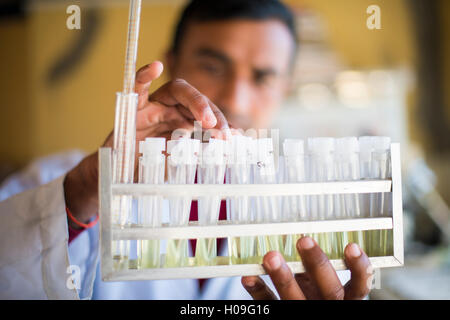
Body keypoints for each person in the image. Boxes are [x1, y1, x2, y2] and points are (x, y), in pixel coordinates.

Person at [0, 0, 372, 300]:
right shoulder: (62, 183)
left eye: (263, 77)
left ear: (285, 87)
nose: (234, 98)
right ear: (171, 62)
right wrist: (85, 191)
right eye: (212, 65)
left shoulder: (315, 213)